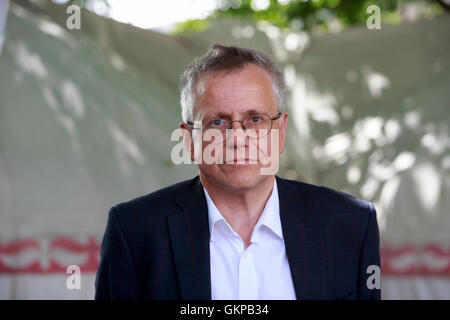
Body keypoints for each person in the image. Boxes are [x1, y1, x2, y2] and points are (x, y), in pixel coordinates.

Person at [95, 44, 381, 300]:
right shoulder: (134, 231)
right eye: (218, 122)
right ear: (188, 141)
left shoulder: (351, 224)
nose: (238, 138)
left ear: (280, 132)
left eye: (255, 119)